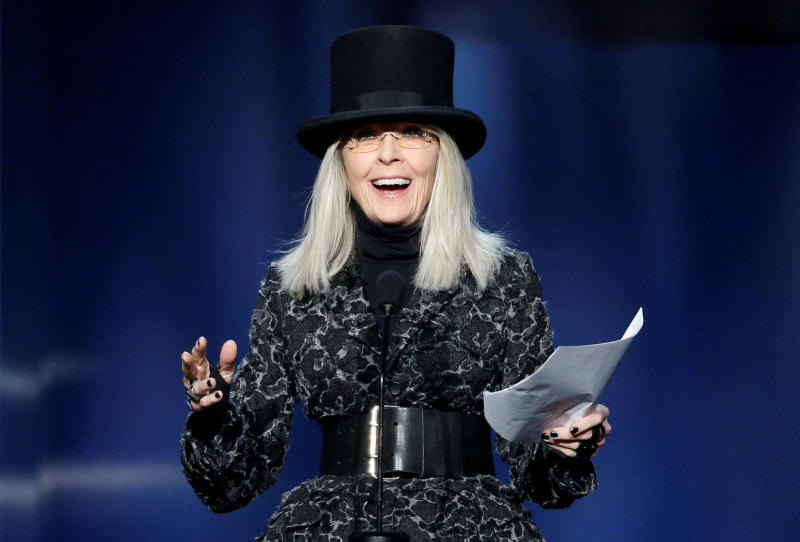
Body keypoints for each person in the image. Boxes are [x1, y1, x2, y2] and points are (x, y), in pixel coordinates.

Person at [180, 25, 612, 542]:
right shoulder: (292, 288)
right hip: (328, 528)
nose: (389, 153)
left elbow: (540, 478)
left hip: (471, 527)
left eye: (412, 132)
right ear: (341, 160)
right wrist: (214, 417)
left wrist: (565, 444)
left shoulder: (503, 279)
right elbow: (232, 485)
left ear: (442, 157)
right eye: (365, 136)